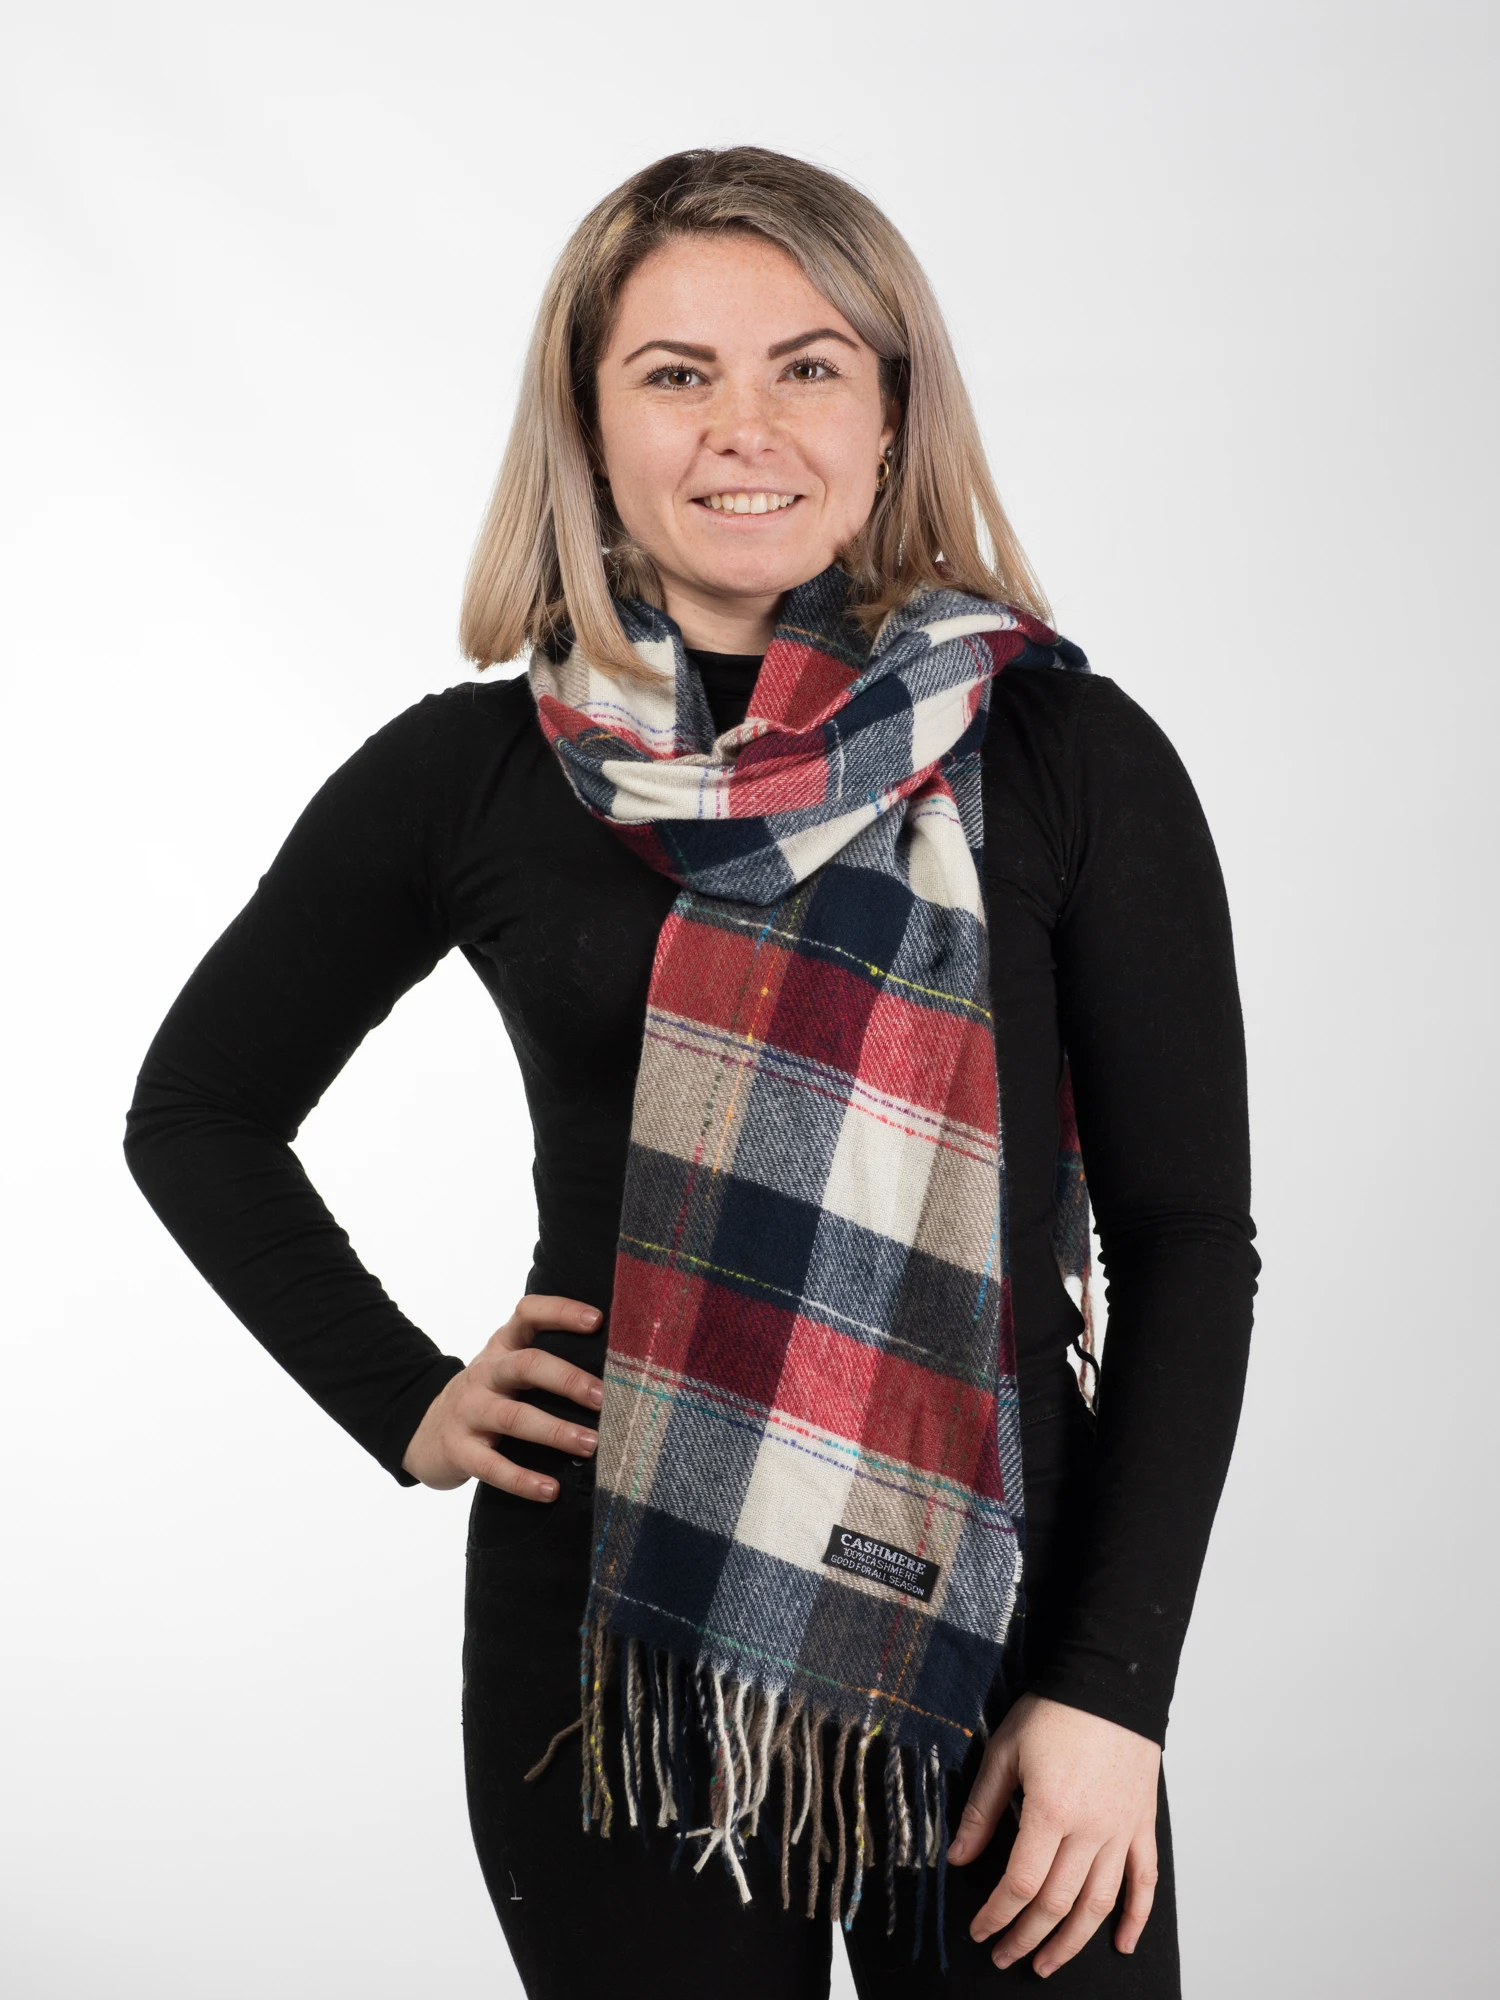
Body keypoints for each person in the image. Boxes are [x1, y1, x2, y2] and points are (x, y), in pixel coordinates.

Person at [124, 146, 1257, 1997]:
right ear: (589, 421)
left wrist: (1115, 1692)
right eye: (676, 373)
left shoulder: (1065, 752)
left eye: (809, 365)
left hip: (1008, 1622)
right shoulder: (478, 774)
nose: (748, 426)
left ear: (892, 412)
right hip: (614, 1633)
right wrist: (404, 1401)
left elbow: (1189, 1244)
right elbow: (197, 1115)